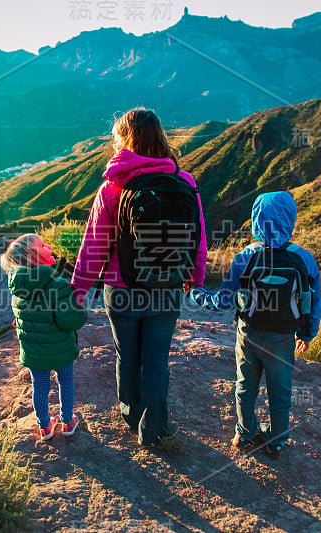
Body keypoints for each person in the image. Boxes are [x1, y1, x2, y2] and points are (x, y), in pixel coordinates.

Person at [71, 108, 208, 447]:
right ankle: (155, 429)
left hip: (122, 290)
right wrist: (195, 277)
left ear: (125, 140)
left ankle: (132, 416)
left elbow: (94, 246)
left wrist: (77, 290)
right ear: (160, 137)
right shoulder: (185, 182)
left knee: (127, 356)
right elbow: (198, 239)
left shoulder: (113, 187)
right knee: (157, 361)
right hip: (168, 287)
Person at [190, 191, 321, 458]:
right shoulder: (304, 258)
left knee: (245, 385)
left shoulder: (245, 256)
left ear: (256, 219)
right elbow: (313, 301)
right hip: (283, 338)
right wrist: (306, 334)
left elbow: (223, 301)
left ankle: (245, 432)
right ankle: (277, 440)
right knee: (280, 390)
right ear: (290, 218)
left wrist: (195, 292)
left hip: (248, 334)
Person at [0, 233, 87, 441]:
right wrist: (80, 309)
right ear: (34, 256)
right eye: (42, 245)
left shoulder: (17, 289)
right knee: (65, 381)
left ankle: (45, 427)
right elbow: (70, 321)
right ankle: (67, 421)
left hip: (33, 352)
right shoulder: (58, 285)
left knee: (39, 386)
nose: (48, 246)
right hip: (61, 349)